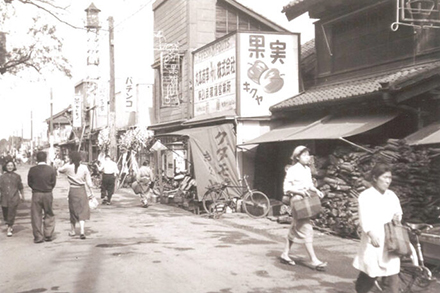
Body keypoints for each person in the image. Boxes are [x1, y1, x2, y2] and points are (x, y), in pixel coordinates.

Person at [353, 163, 403, 293]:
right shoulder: (366, 196)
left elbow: (398, 211)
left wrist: (398, 216)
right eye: (385, 177)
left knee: (392, 273)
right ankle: (361, 289)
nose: (388, 181)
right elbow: (364, 217)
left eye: (390, 178)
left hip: (391, 237)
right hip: (374, 237)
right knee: (370, 271)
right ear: (375, 178)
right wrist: (370, 232)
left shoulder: (391, 195)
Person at [280, 145, 327, 270]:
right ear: (297, 157)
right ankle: (314, 260)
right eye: (304, 155)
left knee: (295, 226)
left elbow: (309, 185)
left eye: (308, 155)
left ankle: (285, 254)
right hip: (296, 200)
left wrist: (317, 191)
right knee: (307, 228)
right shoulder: (292, 170)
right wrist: (299, 192)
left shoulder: (307, 169)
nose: (308, 158)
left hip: (305, 200)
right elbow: (286, 188)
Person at [58, 151, 94, 239]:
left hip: (73, 190)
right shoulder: (84, 168)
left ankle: (73, 230)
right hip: (82, 190)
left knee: (73, 210)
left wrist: (68, 162)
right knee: (82, 210)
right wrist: (92, 193)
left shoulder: (68, 167)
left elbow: (60, 170)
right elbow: (89, 182)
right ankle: (82, 231)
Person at [27, 151, 57, 243]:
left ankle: (38, 236)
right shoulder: (51, 169)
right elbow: (53, 182)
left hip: (36, 193)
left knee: (36, 215)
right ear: (45, 158)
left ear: (37, 159)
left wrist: (36, 188)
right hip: (48, 193)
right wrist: (48, 188)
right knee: (49, 213)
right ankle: (48, 234)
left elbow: (30, 182)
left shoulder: (32, 170)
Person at [0, 160, 24, 237]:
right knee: (5, 213)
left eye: (11, 166)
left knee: (12, 212)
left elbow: (20, 187)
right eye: (8, 166)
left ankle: (9, 227)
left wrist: (22, 196)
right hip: (4, 198)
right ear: (5, 167)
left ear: (14, 167)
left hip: (14, 197)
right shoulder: (2, 177)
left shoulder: (17, 176)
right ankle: (8, 224)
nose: (10, 167)